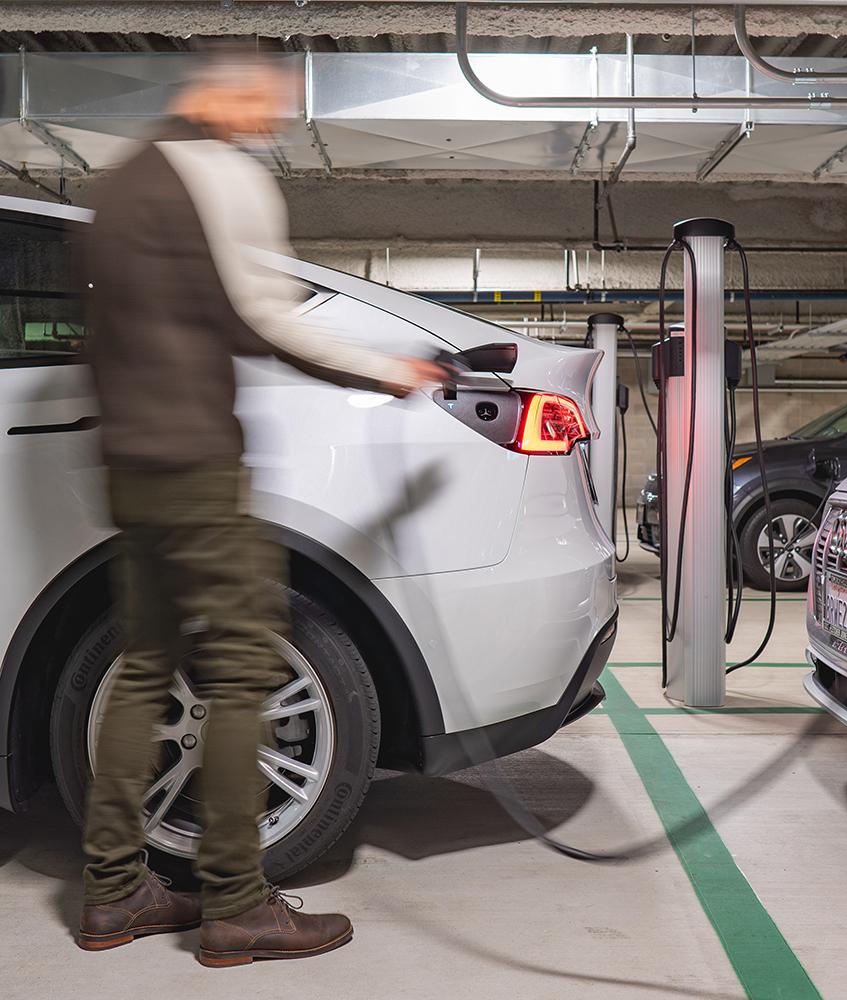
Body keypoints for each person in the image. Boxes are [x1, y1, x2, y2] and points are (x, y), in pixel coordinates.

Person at [76, 51, 442, 967]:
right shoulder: (217, 174)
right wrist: (388, 367)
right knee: (242, 671)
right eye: (266, 107)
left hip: (129, 463)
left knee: (148, 664)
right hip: (197, 463)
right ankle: (237, 906)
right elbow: (266, 316)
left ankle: (113, 892)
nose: (268, 127)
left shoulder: (119, 183)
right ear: (226, 93)